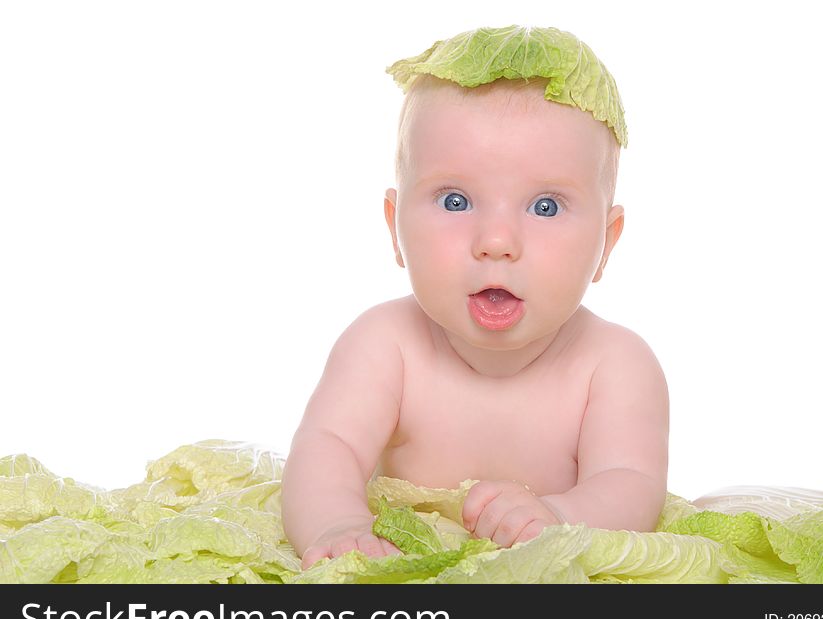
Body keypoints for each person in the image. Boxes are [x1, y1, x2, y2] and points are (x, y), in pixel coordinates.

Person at [281, 25, 669, 570]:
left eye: (546, 207)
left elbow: (632, 485)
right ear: (395, 228)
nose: (496, 243)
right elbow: (327, 449)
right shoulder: (383, 345)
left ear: (606, 243)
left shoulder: (615, 365)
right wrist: (337, 522)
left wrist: (561, 515)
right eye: (456, 200)